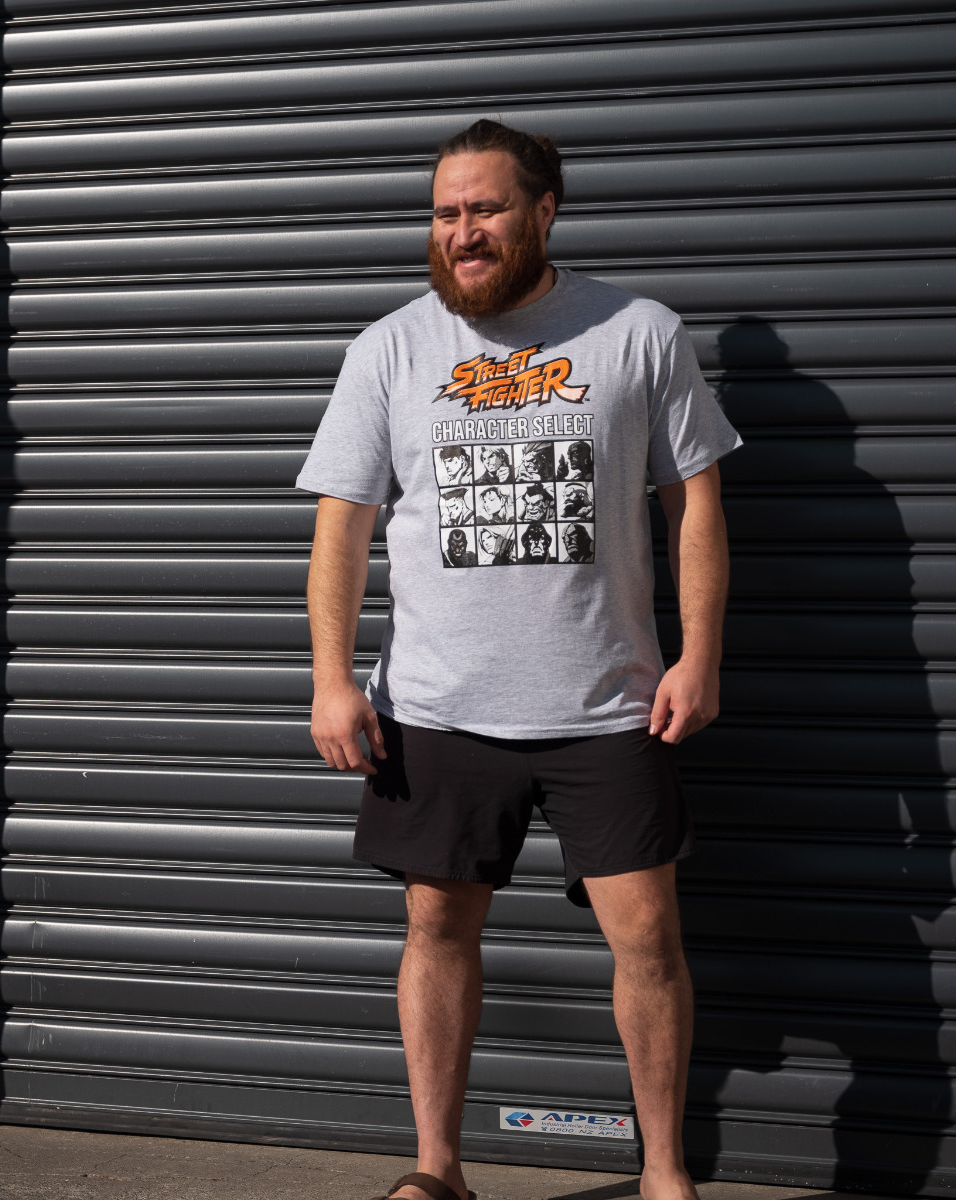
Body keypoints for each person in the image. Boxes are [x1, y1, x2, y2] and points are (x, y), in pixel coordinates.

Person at [298, 118, 741, 1200]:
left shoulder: (637, 332)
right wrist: (331, 679)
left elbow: (694, 504)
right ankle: (438, 1170)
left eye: (486, 209)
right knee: (437, 925)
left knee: (649, 937)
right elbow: (342, 526)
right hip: (439, 704)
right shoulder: (390, 348)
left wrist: (699, 655)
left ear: (544, 211)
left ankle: (665, 1173)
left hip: (609, 701)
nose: (463, 231)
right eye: (446, 212)